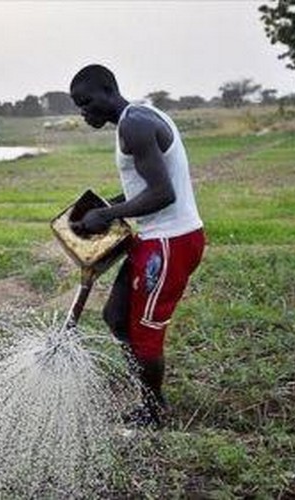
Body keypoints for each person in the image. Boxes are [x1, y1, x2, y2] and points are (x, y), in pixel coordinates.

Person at [69, 64, 205, 428]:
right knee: (116, 316)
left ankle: (153, 409)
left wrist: (109, 213)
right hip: (153, 236)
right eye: (78, 106)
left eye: (87, 102)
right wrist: (102, 208)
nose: (84, 112)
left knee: (145, 334)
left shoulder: (135, 125)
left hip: (170, 241)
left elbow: (163, 193)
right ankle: (148, 395)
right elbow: (144, 187)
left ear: (109, 90)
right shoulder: (136, 119)